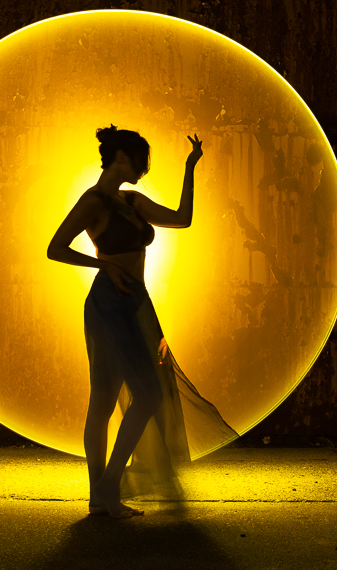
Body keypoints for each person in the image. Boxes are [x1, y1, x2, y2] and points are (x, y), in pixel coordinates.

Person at [47, 125, 237, 519]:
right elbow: (55, 248)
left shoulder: (132, 202)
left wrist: (191, 167)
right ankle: (103, 492)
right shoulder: (93, 202)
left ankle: (103, 494)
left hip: (136, 304)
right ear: (121, 158)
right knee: (109, 401)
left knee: (143, 394)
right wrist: (101, 263)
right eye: (139, 161)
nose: (143, 169)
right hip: (107, 303)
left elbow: (182, 218)